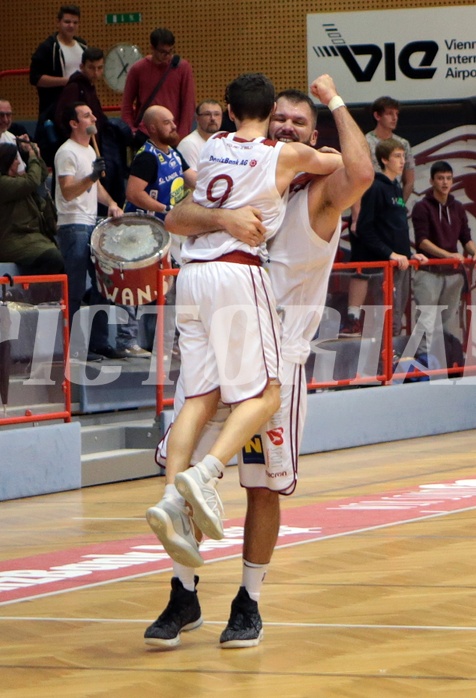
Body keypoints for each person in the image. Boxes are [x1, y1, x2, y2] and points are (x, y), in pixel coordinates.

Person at [144, 74, 359, 649]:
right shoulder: (249, 169)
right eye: (281, 119)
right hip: (224, 321)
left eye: (300, 124)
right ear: (270, 123)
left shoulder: (317, 191)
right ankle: (183, 591)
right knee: (189, 457)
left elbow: (358, 170)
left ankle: (248, 601)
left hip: (277, 349)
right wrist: (224, 219)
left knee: (262, 488)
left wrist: (336, 103)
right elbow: (176, 218)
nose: (287, 128)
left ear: (310, 140)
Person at [54, 102, 126, 360]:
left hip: (91, 222)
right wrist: (91, 177)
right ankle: (71, 347)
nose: (93, 117)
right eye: (86, 115)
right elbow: (68, 190)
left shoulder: (89, 151)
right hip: (73, 224)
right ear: (74, 123)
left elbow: (95, 189)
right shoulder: (67, 152)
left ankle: (99, 342)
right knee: (74, 289)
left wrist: (112, 203)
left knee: (101, 285)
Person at [124, 104, 197, 355]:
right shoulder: (146, 157)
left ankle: (165, 344)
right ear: (152, 128)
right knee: (141, 287)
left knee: (170, 287)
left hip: (166, 229)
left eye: (173, 120)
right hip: (143, 230)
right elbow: (134, 193)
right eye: (167, 122)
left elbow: (193, 179)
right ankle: (130, 342)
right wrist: (166, 208)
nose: (174, 125)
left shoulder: (174, 153)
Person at [342, 138, 427, 337]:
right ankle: (382, 363)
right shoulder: (375, 188)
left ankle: (392, 361)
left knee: (396, 318)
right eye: (397, 156)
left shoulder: (396, 188)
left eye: (404, 156)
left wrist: (409, 254)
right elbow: (365, 228)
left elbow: (395, 229)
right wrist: (390, 254)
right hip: (383, 268)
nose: (402, 161)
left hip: (400, 265)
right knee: (386, 319)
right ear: (384, 160)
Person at [412, 160, 476, 351]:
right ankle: (423, 362)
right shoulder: (422, 207)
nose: (445, 182)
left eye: (448, 178)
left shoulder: (458, 208)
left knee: (448, 323)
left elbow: (466, 238)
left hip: (453, 274)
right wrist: (448, 255)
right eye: (440, 178)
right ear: (432, 181)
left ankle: (447, 361)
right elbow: (422, 241)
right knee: (426, 320)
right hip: (429, 273)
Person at [54, 47, 128, 209]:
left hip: (92, 147)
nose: (95, 73)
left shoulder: (89, 86)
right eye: (91, 68)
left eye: (100, 68)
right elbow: (62, 118)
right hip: (79, 145)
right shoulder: (74, 87)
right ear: (82, 67)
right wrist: (79, 139)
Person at [30, 4, 86, 166]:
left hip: (79, 109)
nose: (71, 26)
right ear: (58, 23)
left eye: (75, 22)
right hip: (53, 110)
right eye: (67, 22)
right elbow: (35, 78)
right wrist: (67, 81)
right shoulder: (48, 47)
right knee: (55, 156)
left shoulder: (82, 46)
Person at [121, 27, 196, 148]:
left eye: (170, 51)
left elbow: (188, 105)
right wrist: (131, 130)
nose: (168, 56)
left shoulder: (183, 68)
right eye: (163, 52)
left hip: (172, 134)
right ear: (152, 48)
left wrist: (181, 137)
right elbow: (126, 104)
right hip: (145, 134)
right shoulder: (138, 69)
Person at [0, 142, 64, 275]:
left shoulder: (17, 181)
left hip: (31, 238)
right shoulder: (4, 184)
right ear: (8, 162)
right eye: (16, 159)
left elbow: (42, 175)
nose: (18, 162)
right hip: (13, 240)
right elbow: (32, 181)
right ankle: (34, 293)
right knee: (53, 258)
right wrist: (32, 156)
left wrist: (33, 151)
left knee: (61, 262)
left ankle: (45, 294)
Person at [177, 100, 223, 169]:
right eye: (207, 114)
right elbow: (191, 179)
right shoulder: (189, 144)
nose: (213, 118)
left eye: (216, 114)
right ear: (197, 118)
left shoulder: (224, 141)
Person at [0, 98, 28, 174]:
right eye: (1, 115)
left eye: (8, 115)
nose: (5, 120)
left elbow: (21, 173)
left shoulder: (10, 138)